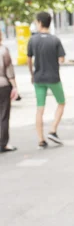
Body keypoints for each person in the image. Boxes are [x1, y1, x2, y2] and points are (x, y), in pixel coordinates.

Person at [27, 12, 66, 149]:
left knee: (40, 109)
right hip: (53, 78)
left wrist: (32, 74)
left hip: (38, 78)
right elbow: (61, 59)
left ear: (39, 22)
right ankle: (53, 130)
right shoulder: (55, 40)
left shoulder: (32, 40)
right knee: (61, 102)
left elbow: (29, 60)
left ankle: (41, 139)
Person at [0, 29, 19, 153]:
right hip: (3, 85)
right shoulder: (3, 50)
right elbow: (9, 71)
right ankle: (3, 143)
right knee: (4, 116)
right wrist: (15, 86)